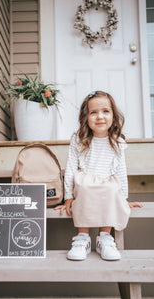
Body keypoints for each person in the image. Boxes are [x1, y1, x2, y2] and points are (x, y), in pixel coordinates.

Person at [55, 91, 143, 261]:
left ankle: (105, 238)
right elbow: (72, 168)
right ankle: (83, 238)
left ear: (113, 115)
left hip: (107, 184)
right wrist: (68, 197)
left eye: (105, 111)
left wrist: (123, 198)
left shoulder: (117, 141)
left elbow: (120, 171)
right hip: (85, 182)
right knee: (84, 186)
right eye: (93, 112)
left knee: (110, 188)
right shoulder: (78, 139)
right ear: (85, 117)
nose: (100, 116)